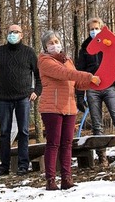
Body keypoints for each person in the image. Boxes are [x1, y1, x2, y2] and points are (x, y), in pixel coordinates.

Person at [38, 30, 100, 190]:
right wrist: (88, 75)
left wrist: (93, 82)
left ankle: (67, 178)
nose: (54, 45)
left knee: (67, 143)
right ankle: (51, 180)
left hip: (69, 106)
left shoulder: (68, 60)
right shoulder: (45, 61)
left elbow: (77, 83)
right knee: (53, 143)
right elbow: (64, 74)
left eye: (56, 41)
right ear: (45, 46)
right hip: (52, 107)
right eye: (50, 43)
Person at [76, 17, 115, 166]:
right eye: (91, 29)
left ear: (102, 29)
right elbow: (80, 72)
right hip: (92, 89)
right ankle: (102, 157)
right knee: (97, 124)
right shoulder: (85, 49)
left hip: (109, 87)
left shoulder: (111, 45)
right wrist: (80, 96)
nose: (94, 31)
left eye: (96, 28)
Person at [0, 24, 42, 177]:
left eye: (16, 32)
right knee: (4, 133)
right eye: (10, 32)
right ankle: (4, 166)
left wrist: (36, 91)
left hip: (23, 98)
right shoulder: (0, 51)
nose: (12, 34)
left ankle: (23, 165)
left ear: (22, 35)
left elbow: (39, 75)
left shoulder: (29, 52)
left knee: (24, 132)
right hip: (4, 99)